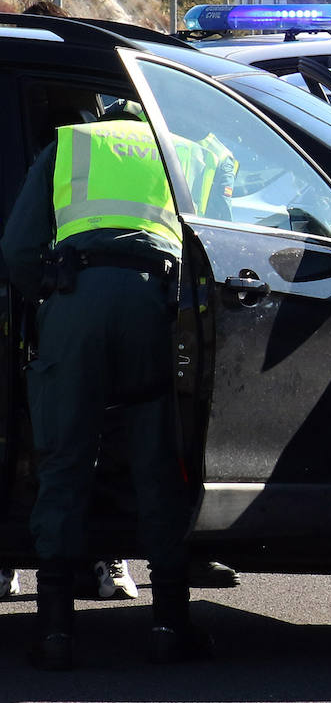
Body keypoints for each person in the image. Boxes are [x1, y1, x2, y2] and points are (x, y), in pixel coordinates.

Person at [1, 104, 213, 668]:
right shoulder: (187, 152)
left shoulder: (68, 145)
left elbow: (19, 250)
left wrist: (48, 296)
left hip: (79, 301)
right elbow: (219, 249)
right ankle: (170, 625)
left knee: (65, 459)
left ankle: (55, 636)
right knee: (157, 460)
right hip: (155, 307)